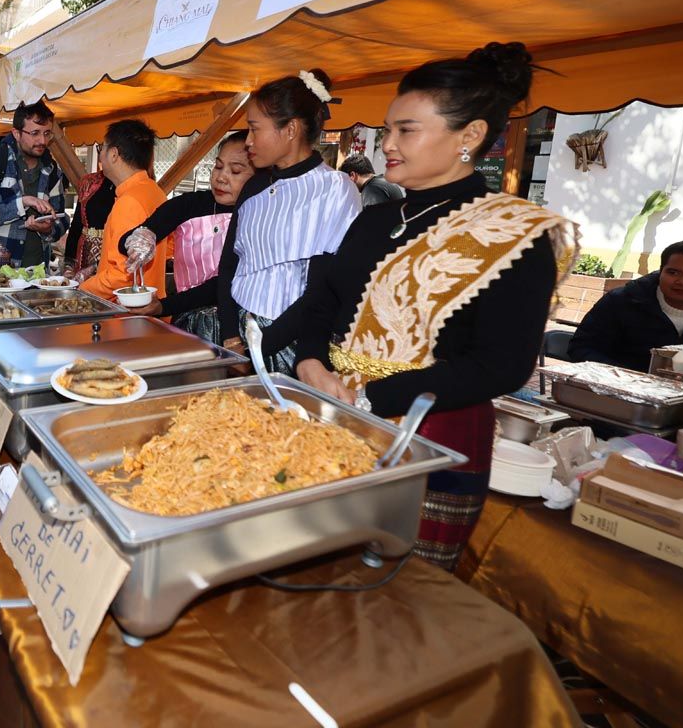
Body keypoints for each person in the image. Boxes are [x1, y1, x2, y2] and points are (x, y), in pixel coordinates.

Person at [276, 42, 576, 571]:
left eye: (405, 130)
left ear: (471, 136)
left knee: (393, 588)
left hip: (430, 434)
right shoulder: (376, 217)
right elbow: (322, 302)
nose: (385, 143)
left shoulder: (514, 233)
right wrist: (310, 362)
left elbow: (501, 364)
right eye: (387, 129)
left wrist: (373, 393)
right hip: (335, 413)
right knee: (312, 570)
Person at [215, 70, 361, 372]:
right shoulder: (254, 186)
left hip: (292, 347)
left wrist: (259, 348)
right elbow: (229, 265)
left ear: (291, 129)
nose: (249, 141)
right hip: (236, 340)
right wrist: (231, 337)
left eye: (255, 129)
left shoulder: (334, 189)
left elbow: (323, 288)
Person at [119, 131, 254, 343]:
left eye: (235, 171)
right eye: (218, 166)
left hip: (240, 330)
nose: (221, 177)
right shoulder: (190, 204)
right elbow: (127, 239)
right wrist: (143, 237)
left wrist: (163, 306)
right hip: (188, 322)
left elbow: (222, 284)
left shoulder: (258, 216)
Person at [568, 239, 683, 370]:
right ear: (661, 271)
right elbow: (582, 348)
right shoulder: (621, 301)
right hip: (618, 388)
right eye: (673, 272)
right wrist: (628, 378)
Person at [79, 120, 168, 302]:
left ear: (113, 154)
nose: (101, 155)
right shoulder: (155, 192)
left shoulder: (129, 202)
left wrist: (82, 290)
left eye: (102, 149)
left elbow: (123, 275)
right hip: (149, 308)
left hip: (128, 314)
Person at [0, 101, 67, 265]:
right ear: (16, 133)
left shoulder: (52, 169)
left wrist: (49, 229)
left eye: (47, 133)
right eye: (35, 133)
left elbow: (62, 219)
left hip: (37, 271)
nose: (42, 141)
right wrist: (22, 202)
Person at [64, 169, 116, 280]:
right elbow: (77, 224)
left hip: (112, 255)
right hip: (84, 252)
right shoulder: (90, 182)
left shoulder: (129, 186)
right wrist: (69, 263)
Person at [339, 152, 405, 207]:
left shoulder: (371, 190)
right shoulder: (385, 182)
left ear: (353, 175)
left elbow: (373, 221)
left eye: (345, 181)